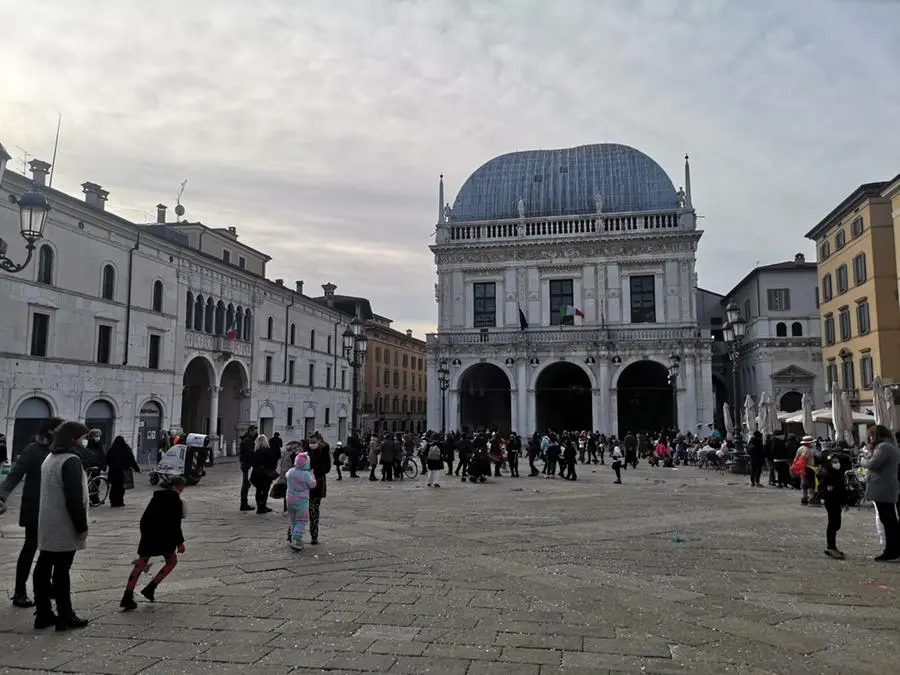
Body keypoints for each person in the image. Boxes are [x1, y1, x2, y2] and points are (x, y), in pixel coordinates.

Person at [33, 421, 91, 631]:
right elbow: (74, 498)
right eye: (82, 437)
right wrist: (81, 526)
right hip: (64, 524)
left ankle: (43, 613)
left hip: (47, 522)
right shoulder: (71, 461)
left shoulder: (50, 458)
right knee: (61, 571)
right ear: (74, 439)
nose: (84, 441)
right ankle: (65, 616)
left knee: (42, 567)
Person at [0, 417, 63, 608]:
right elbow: (14, 475)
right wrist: (2, 496)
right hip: (35, 507)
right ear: (50, 431)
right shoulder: (33, 450)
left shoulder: (60, 451)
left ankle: (46, 586)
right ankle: (20, 591)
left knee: (51, 550)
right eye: (59, 429)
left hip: (54, 509)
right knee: (30, 548)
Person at [120, 475, 187, 610]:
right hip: (165, 538)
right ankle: (151, 587)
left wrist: (145, 536)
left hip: (149, 536)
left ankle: (127, 595)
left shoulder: (156, 497)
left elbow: (143, 520)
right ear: (179, 486)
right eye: (183, 487)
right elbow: (174, 524)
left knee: (141, 563)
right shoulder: (175, 500)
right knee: (172, 562)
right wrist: (180, 542)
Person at [860, 425, 900, 561]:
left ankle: (891, 550)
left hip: (882, 487)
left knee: (888, 520)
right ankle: (893, 548)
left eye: (871, 435)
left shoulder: (883, 448)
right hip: (887, 486)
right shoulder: (891, 446)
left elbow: (873, 464)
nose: (870, 438)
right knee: (890, 519)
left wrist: (863, 460)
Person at [817, 450, 849, 559]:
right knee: (833, 523)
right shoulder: (826, 473)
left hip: (837, 501)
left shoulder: (839, 473)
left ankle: (832, 546)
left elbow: (842, 489)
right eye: (834, 462)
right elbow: (821, 487)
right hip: (830, 501)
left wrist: (844, 502)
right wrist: (825, 491)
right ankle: (830, 546)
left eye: (837, 461)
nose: (837, 463)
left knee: (836, 524)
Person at [285, 453, 317, 551]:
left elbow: (286, 476)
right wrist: (313, 475)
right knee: (302, 520)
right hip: (301, 500)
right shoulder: (305, 474)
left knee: (293, 520)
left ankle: (294, 539)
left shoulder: (290, 471)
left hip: (289, 499)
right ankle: (296, 539)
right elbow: (312, 485)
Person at [307, 432, 331, 545]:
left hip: (318, 484)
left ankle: (314, 535)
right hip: (305, 485)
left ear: (320, 441)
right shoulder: (308, 451)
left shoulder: (324, 452)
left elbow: (326, 468)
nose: (312, 444)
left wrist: (315, 470)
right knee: (300, 511)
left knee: (314, 511)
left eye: (314, 442)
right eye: (310, 442)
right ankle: (292, 534)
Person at [106, 436, 140, 508]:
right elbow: (132, 460)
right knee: (121, 488)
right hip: (123, 472)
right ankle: (120, 502)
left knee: (114, 487)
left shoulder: (112, 449)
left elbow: (107, 460)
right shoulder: (126, 449)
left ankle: (113, 502)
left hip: (113, 472)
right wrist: (137, 469)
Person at [250, 434, 279, 514]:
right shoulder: (269, 451)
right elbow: (273, 463)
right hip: (266, 474)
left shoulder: (256, 452)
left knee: (258, 490)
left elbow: (253, 463)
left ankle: (260, 506)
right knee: (265, 491)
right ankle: (263, 506)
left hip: (257, 474)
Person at [238, 426, 258, 511]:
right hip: (247, 465)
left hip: (245, 464)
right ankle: (244, 504)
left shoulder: (246, 440)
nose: (256, 433)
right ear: (250, 432)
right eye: (255, 432)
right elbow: (249, 454)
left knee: (246, 484)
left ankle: (244, 503)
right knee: (246, 484)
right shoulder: (248, 441)